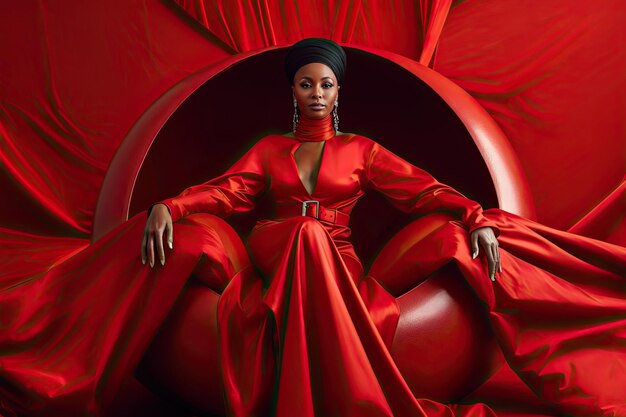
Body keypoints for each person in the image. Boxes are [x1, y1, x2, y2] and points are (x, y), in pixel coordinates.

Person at [140, 38, 626, 417]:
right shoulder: (269, 149)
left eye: (326, 84)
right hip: (276, 246)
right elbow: (227, 191)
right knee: (302, 233)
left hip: (339, 260)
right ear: (292, 90)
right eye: (306, 84)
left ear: (337, 91)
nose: (316, 94)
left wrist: (474, 216)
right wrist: (174, 206)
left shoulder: (361, 150)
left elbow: (425, 191)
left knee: (405, 234)